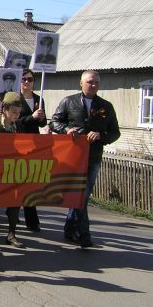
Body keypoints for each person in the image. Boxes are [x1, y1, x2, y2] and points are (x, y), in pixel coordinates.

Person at [49, 70, 120, 248]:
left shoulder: (106, 106)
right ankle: (83, 234)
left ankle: (72, 230)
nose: (93, 85)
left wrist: (101, 135)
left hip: (93, 157)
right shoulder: (69, 101)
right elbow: (54, 122)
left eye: (96, 82)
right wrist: (66, 130)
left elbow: (115, 132)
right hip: (72, 157)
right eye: (90, 82)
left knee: (83, 195)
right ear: (81, 83)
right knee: (78, 195)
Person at [0, 92, 27, 248]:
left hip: (14, 167)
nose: (16, 116)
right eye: (14, 112)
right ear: (4, 109)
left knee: (15, 201)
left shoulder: (20, 126)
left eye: (18, 113)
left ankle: (11, 233)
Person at [18, 69, 47, 231]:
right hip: (18, 142)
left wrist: (41, 119)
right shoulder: (15, 97)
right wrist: (31, 117)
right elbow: (14, 121)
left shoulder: (38, 98)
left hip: (33, 144)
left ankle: (32, 221)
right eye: (24, 79)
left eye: (30, 79)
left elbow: (42, 123)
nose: (27, 82)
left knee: (30, 182)